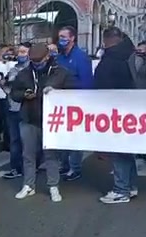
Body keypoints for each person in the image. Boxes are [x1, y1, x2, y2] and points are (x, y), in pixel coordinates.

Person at [11, 43, 74, 202]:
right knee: (28, 154)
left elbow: (73, 91)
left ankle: (53, 186)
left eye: (39, 61)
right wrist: (24, 94)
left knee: (51, 155)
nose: (36, 64)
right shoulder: (25, 73)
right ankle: (28, 185)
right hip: (29, 118)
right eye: (33, 61)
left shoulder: (61, 73)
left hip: (51, 121)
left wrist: (55, 91)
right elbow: (13, 93)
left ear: (47, 57)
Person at [94, 27, 138, 204]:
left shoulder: (110, 59)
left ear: (106, 41)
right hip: (130, 110)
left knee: (118, 150)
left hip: (114, 111)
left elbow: (102, 85)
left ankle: (121, 190)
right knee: (126, 151)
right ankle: (131, 185)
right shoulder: (130, 54)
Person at [56, 26, 93, 181]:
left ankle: (75, 167)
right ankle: (65, 165)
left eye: (64, 36)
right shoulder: (59, 57)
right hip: (60, 103)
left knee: (74, 136)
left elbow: (87, 82)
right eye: (59, 37)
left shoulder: (81, 57)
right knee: (62, 135)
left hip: (76, 103)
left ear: (72, 38)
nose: (61, 40)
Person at [1, 42, 31, 179]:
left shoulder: (32, 70)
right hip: (12, 108)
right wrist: (5, 85)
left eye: (24, 52)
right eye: (19, 52)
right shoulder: (13, 69)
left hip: (27, 109)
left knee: (28, 141)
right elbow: (7, 88)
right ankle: (15, 168)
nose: (21, 54)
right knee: (14, 140)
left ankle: (30, 168)